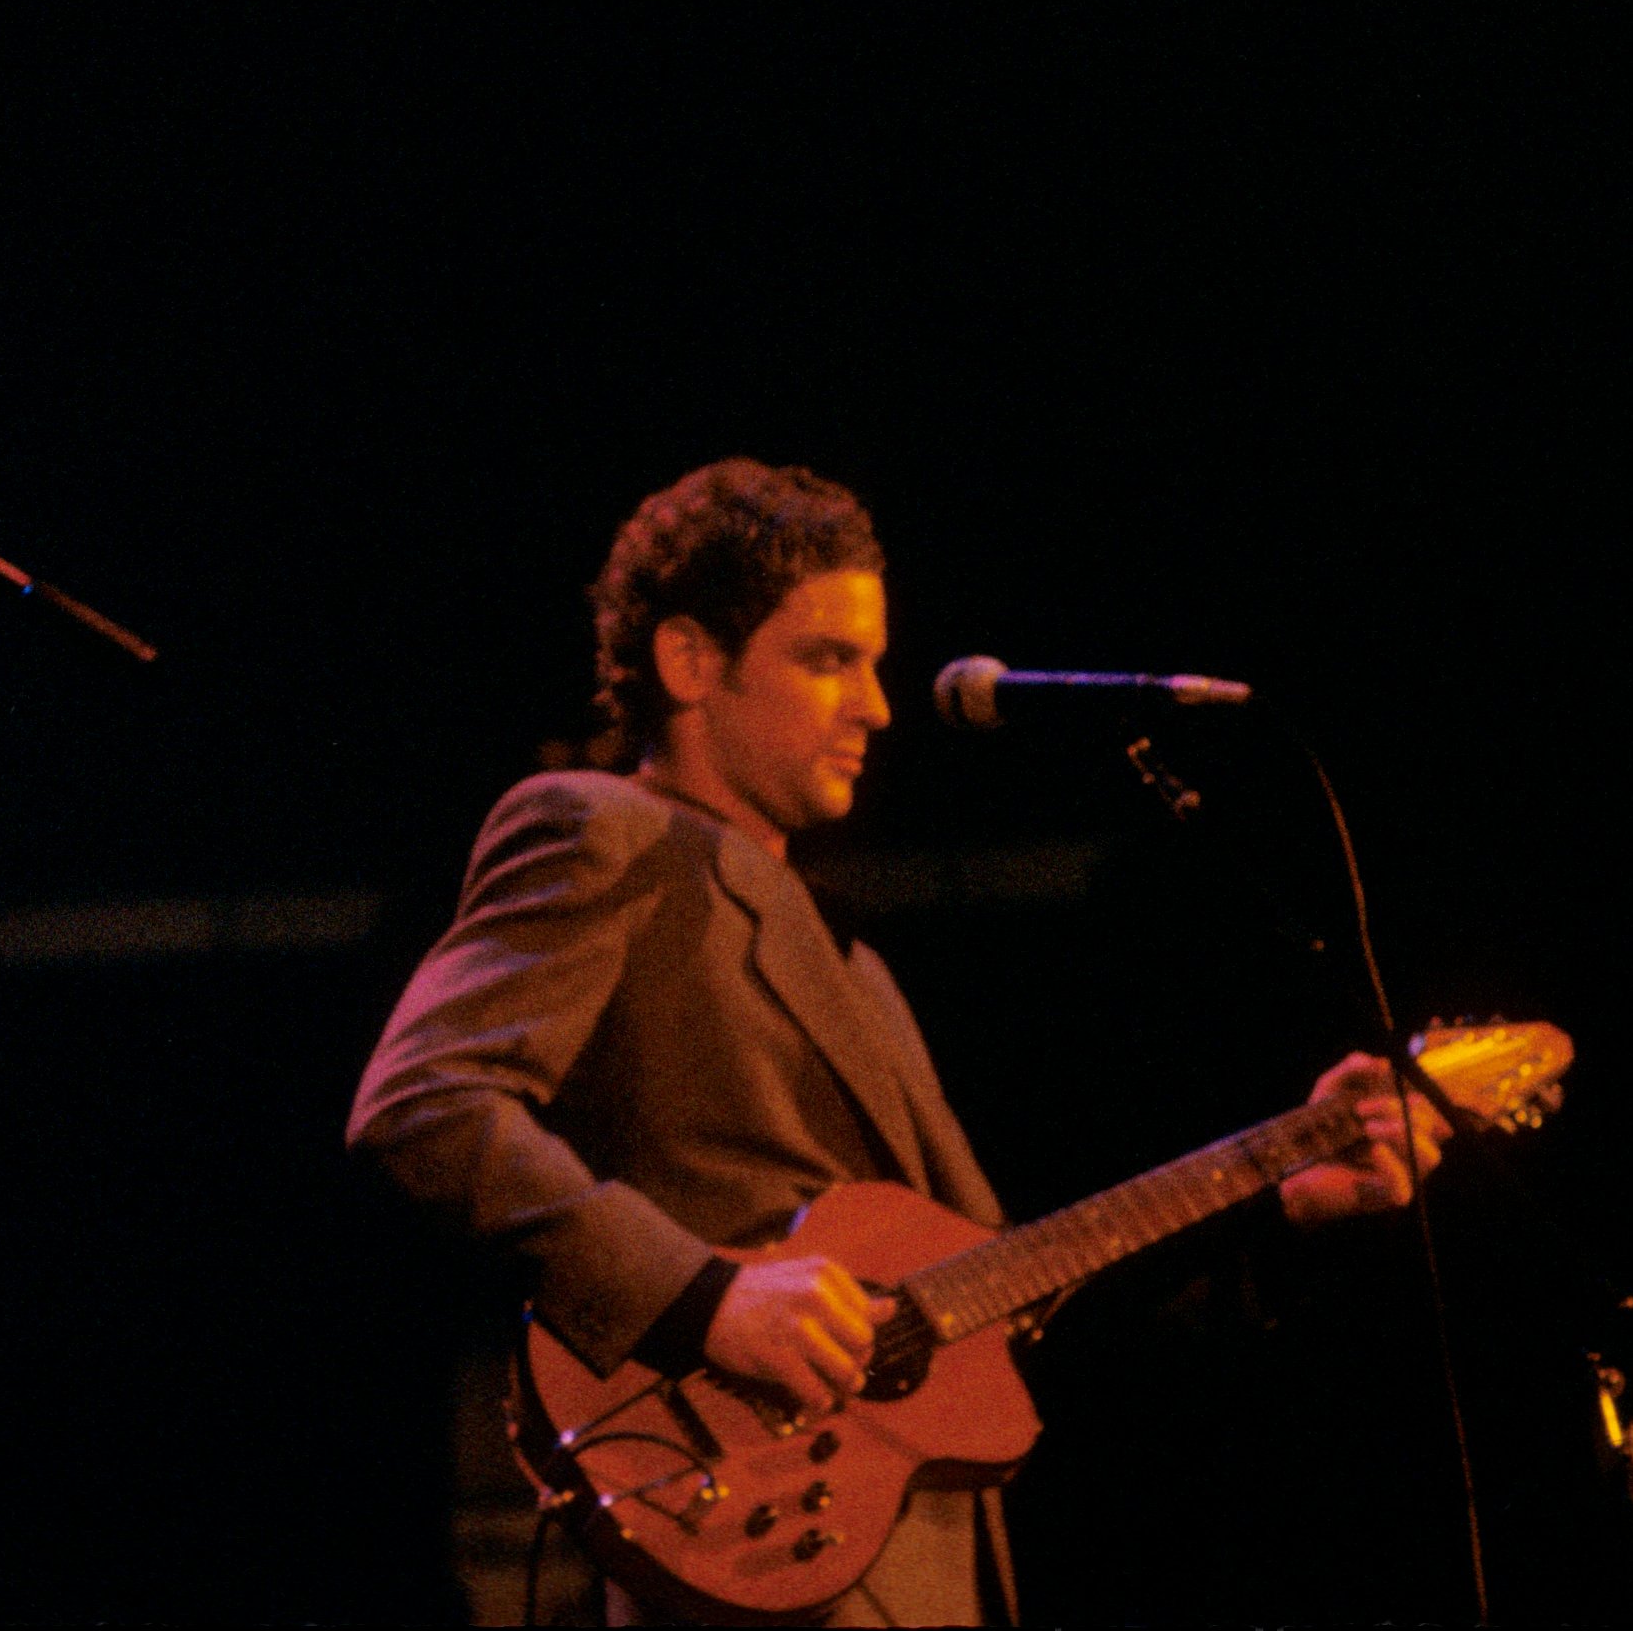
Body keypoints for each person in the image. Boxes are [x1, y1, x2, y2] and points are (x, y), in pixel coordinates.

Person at [345, 459, 1443, 1626]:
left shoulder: (853, 961)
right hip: (750, 1540)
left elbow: (1002, 1298)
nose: (875, 704)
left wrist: (1284, 1199)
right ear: (689, 662)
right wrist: (706, 1299)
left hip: (916, 1560)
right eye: (828, 660)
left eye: (872, 663)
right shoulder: (597, 829)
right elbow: (423, 1104)